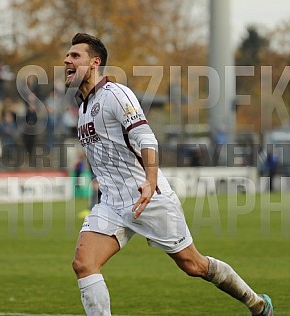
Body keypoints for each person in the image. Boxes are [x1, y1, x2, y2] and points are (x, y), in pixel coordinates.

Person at [64, 33, 273, 316]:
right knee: (84, 263)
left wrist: (150, 182)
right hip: (112, 203)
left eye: (75, 56)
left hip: (149, 198)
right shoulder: (84, 107)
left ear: (94, 63)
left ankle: (256, 303)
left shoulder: (117, 95)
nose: (67, 60)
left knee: (193, 265)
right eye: (67, 55)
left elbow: (147, 140)